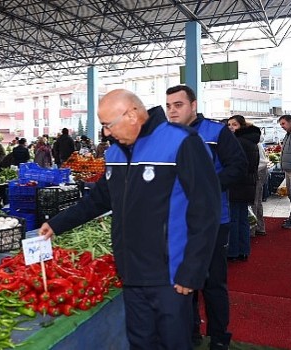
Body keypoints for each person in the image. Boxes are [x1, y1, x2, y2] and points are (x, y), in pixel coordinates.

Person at [40, 89, 220, 349]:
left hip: (170, 276)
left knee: (173, 343)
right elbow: (99, 200)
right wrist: (57, 223)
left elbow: (206, 209)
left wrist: (192, 270)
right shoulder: (114, 154)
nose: (105, 133)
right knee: (140, 343)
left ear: (132, 115)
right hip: (132, 273)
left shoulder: (182, 142)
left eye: (107, 125)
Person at [166, 85, 246, 349]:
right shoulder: (167, 137)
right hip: (179, 224)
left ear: (193, 105)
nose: (172, 110)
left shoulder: (217, 132)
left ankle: (219, 338)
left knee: (213, 284)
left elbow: (239, 167)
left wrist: (207, 186)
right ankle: (190, 334)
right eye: (169, 106)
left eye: (178, 105)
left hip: (213, 221)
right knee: (182, 281)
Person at [226, 115, 260, 262]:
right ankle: (244, 250)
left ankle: (232, 252)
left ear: (242, 126)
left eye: (234, 125)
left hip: (236, 184)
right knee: (242, 219)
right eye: (229, 124)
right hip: (248, 184)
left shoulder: (236, 142)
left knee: (233, 219)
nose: (231, 127)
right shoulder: (252, 142)